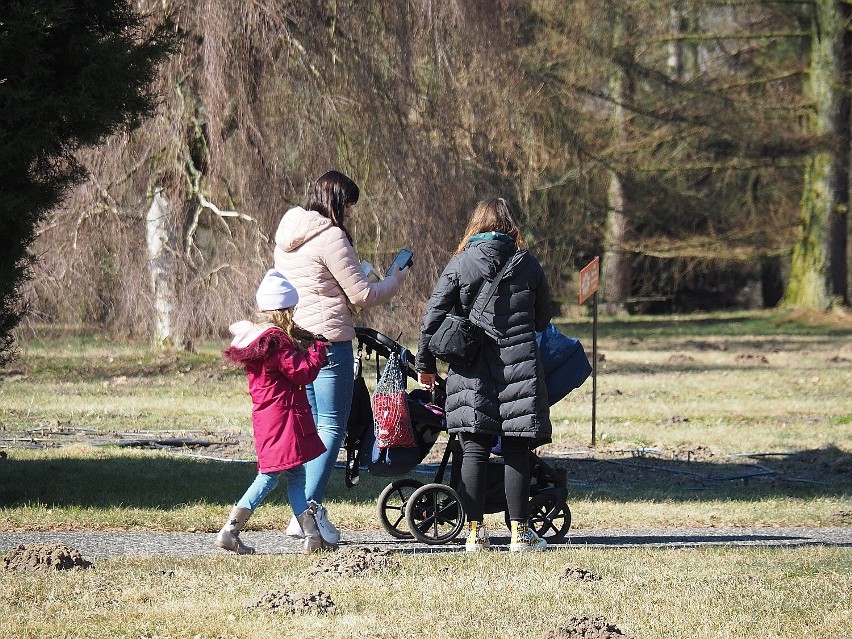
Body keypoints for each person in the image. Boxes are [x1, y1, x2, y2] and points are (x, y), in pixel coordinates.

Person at [273, 170, 410, 542]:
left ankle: (302, 506)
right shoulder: (331, 236)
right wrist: (394, 279)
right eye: (348, 205)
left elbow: (314, 282)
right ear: (339, 202)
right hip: (330, 342)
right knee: (333, 427)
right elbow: (363, 296)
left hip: (297, 339)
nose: (349, 213)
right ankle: (307, 512)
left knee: (315, 427)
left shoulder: (289, 229)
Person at [415, 197, 552, 552]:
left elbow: (431, 319)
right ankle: (521, 534)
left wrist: (425, 366)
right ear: (510, 226)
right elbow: (542, 320)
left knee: (473, 449)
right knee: (517, 451)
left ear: (475, 225)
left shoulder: (460, 263)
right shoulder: (529, 265)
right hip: (519, 367)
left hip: (471, 369)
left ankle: (474, 534)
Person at [216, 268, 335, 554]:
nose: (294, 314)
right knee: (269, 476)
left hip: (268, 417)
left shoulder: (258, 340)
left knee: (295, 475)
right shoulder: (277, 342)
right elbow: (302, 373)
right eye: (292, 309)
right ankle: (230, 531)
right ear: (284, 310)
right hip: (284, 418)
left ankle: (312, 537)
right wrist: (318, 350)